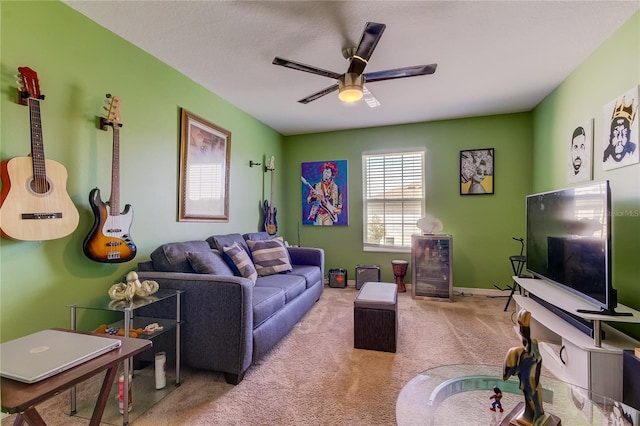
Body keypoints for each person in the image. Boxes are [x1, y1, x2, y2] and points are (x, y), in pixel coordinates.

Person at [503, 309, 547, 425]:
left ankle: (536, 416)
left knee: (532, 391)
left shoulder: (532, 354)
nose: (521, 330)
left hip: (531, 374)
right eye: (521, 328)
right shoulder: (521, 352)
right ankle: (533, 415)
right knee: (530, 392)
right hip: (528, 371)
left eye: (523, 328)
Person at [306, 162, 342, 226]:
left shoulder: (336, 188)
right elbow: (308, 200)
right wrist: (313, 197)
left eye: (328, 173)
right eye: (324, 172)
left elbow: (340, 206)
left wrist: (337, 210)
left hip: (329, 216)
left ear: (332, 174)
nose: (325, 174)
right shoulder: (316, 186)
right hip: (317, 215)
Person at [603, 96, 637, 164]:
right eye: (616, 133)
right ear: (610, 135)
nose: (620, 139)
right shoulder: (605, 155)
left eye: (624, 133)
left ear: (629, 136)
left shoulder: (633, 149)